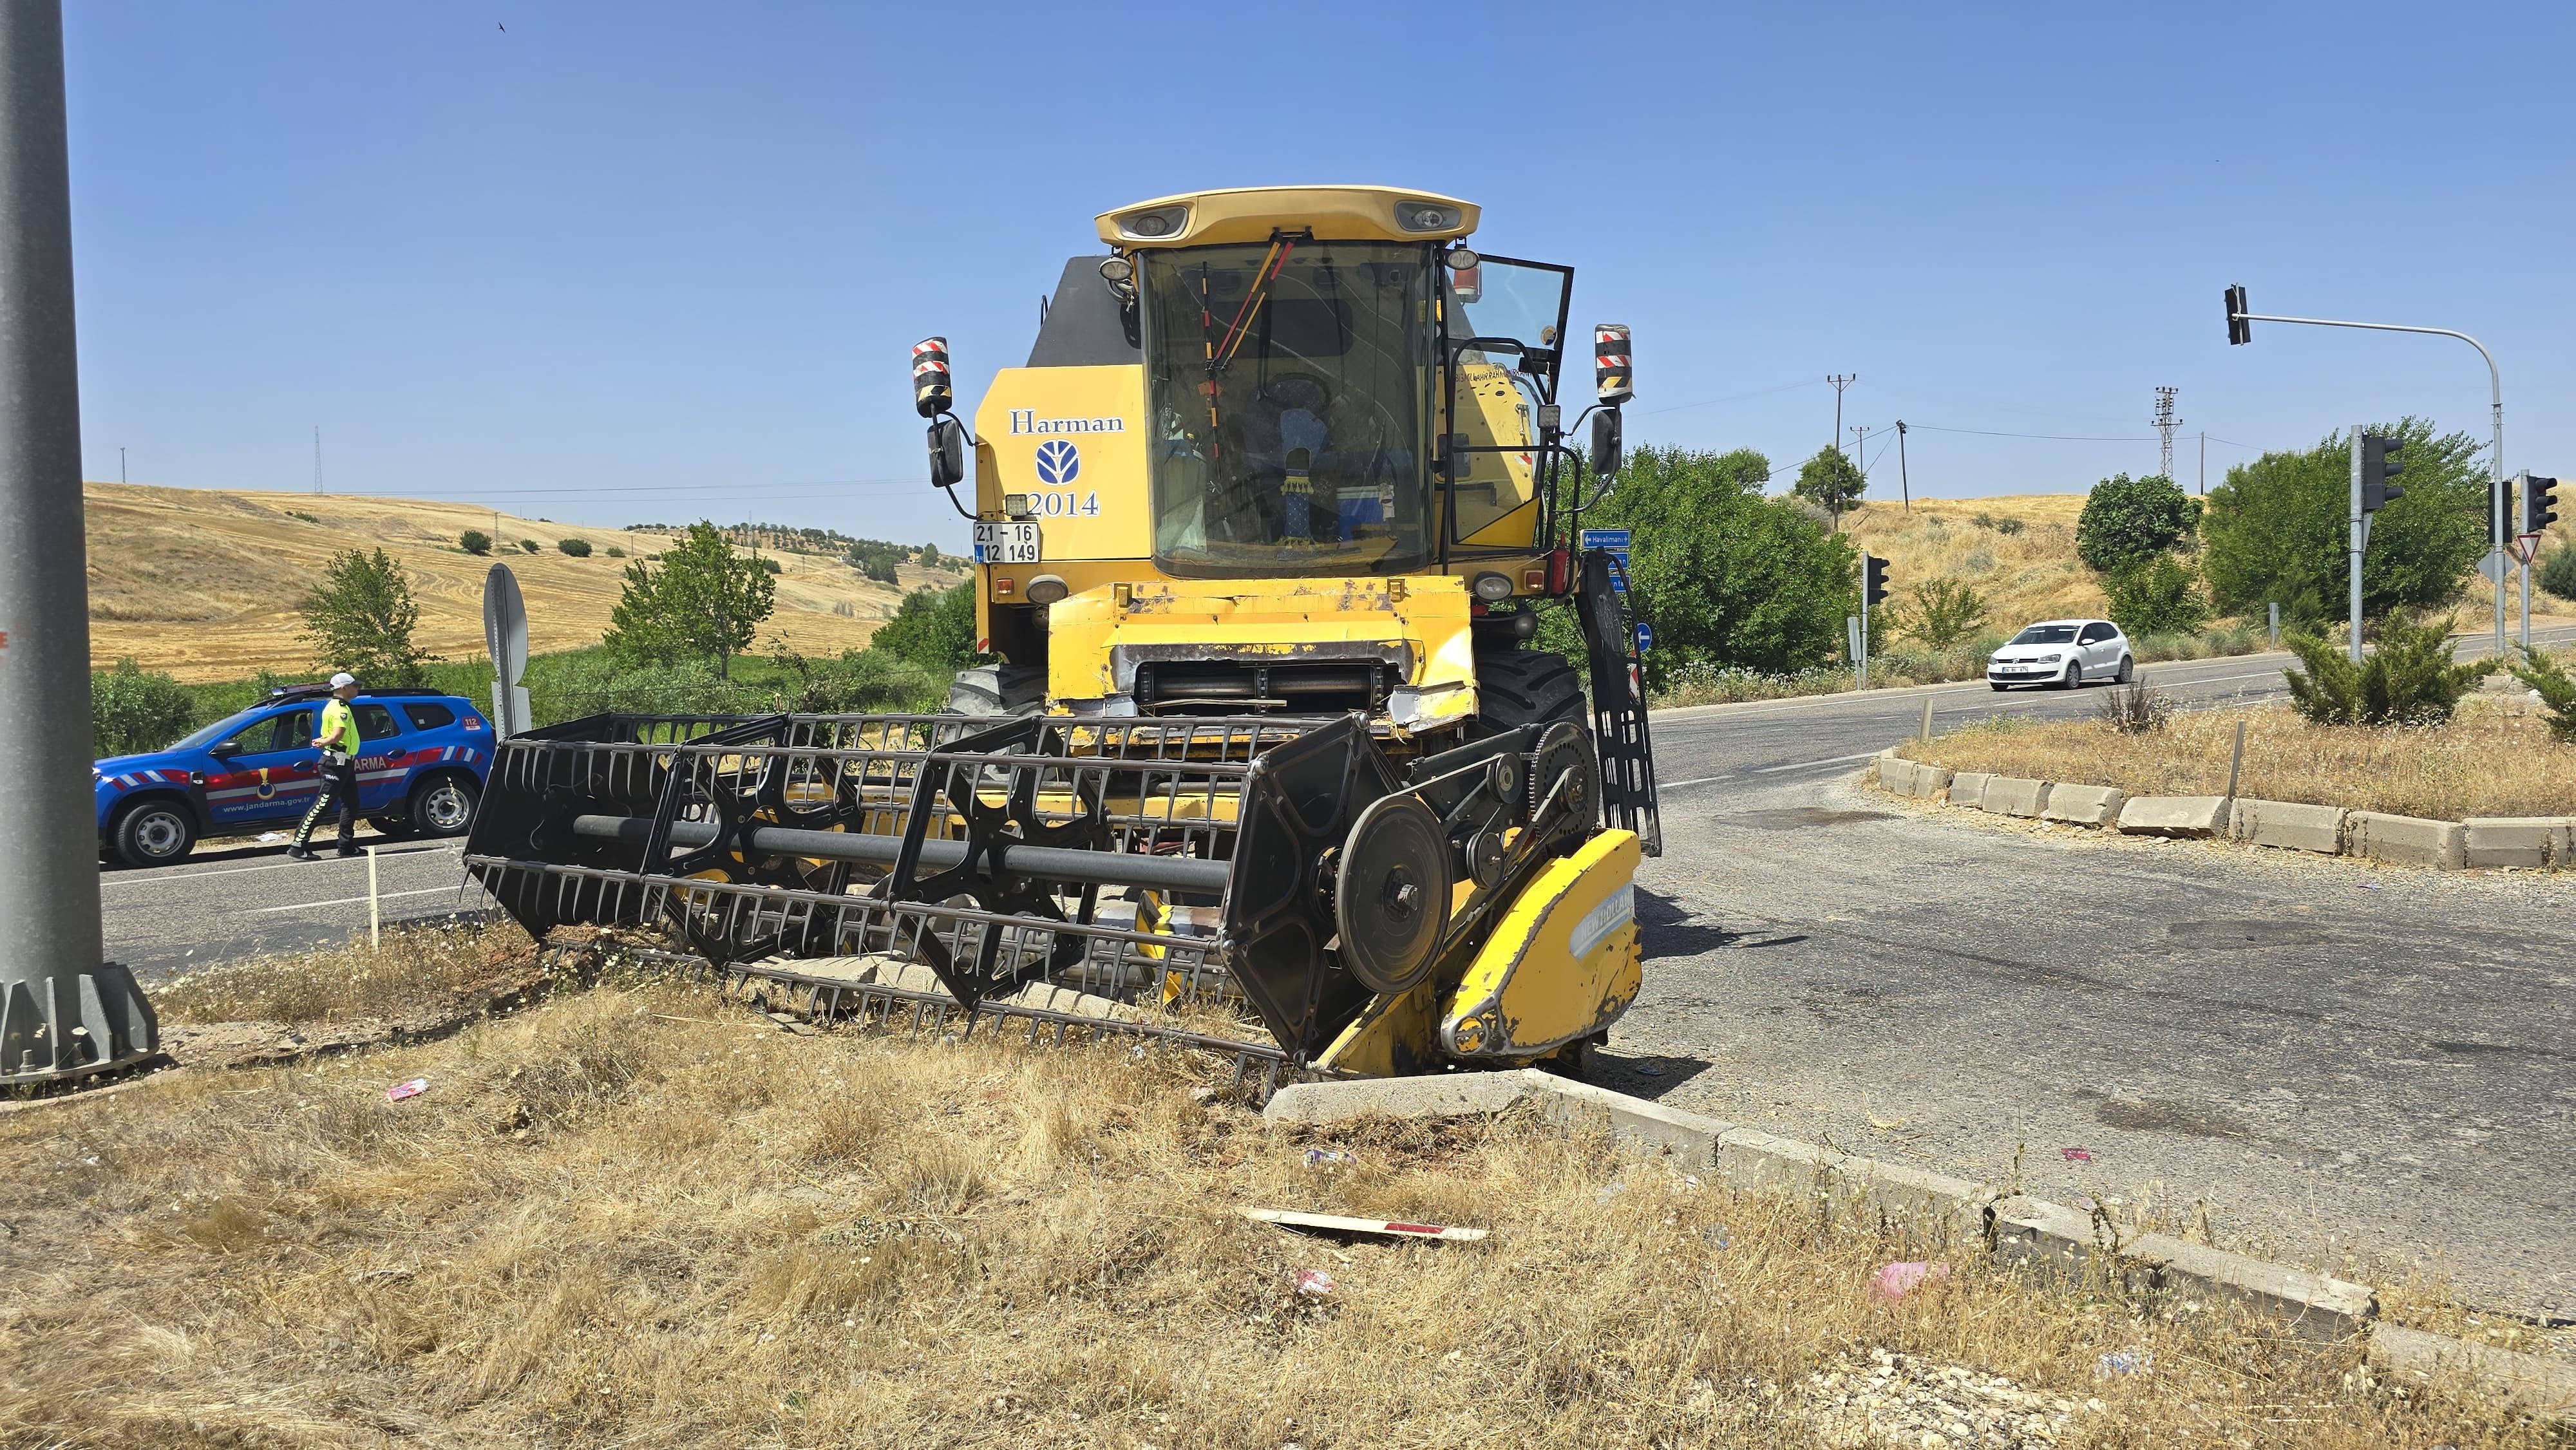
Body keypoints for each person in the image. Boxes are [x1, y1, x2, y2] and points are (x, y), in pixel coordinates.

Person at [287, 673, 364, 861]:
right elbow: (337, 735)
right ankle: (298, 844)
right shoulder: (340, 709)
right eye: (355, 686)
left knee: (351, 804)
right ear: (344, 688)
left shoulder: (337, 706)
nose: (358, 688)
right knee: (323, 803)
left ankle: (346, 845)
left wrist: (324, 741)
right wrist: (324, 742)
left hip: (344, 762)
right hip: (334, 763)